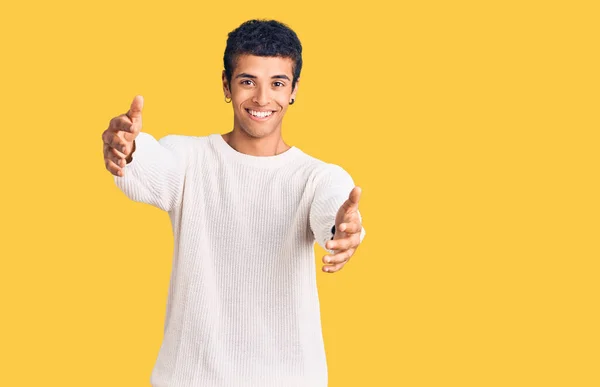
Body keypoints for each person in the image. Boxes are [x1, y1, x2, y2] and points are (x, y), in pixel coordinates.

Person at [102, 19, 366, 387]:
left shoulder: (317, 177)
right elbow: (151, 167)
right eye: (247, 81)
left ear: (294, 90)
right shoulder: (189, 156)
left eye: (277, 83)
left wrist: (344, 230)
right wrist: (128, 151)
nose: (261, 98)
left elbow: (334, 209)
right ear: (226, 84)